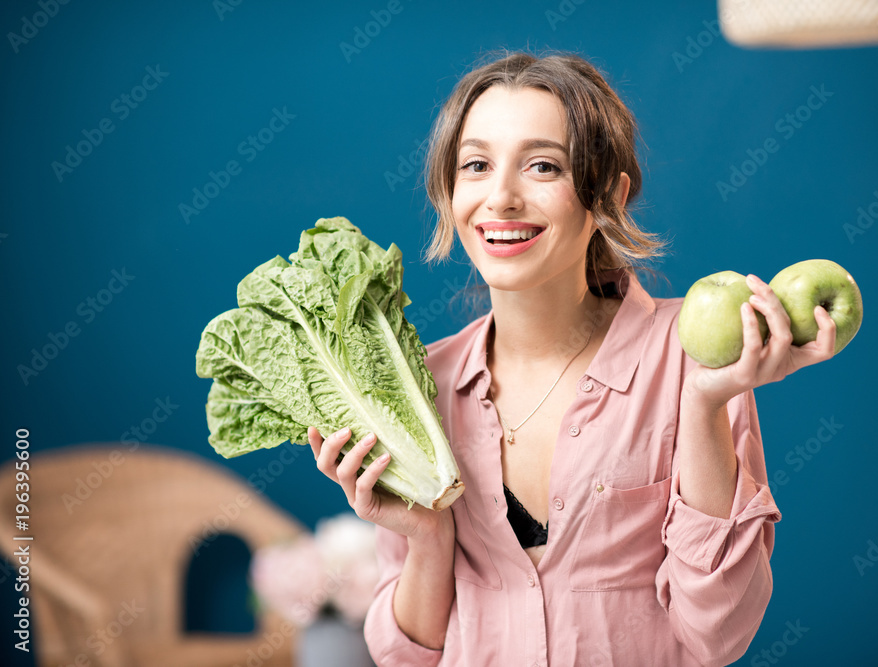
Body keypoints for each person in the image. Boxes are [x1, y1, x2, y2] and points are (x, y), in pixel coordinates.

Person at [308, 49, 837, 666]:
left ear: (606, 196)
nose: (501, 197)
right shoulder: (424, 382)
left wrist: (702, 406)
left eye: (542, 166)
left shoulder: (696, 358)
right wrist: (427, 536)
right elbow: (408, 656)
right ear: (449, 193)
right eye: (476, 164)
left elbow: (718, 633)